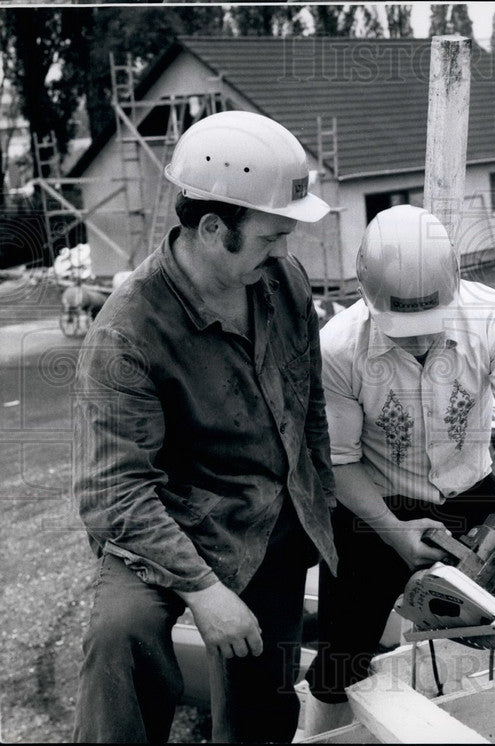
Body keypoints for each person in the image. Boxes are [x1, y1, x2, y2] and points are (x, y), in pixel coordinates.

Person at [72, 110, 338, 743]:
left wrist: (324, 509)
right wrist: (202, 589)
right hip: (166, 522)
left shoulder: (283, 283)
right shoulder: (125, 335)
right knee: (121, 635)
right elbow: (116, 494)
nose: (284, 250)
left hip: (267, 515)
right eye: (272, 236)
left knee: (263, 708)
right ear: (215, 228)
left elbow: (309, 408)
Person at [303, 204, 495, 731]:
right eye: (402, 330)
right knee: (339, 662)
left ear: (452, 285)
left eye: (427, 326)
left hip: (471, 495)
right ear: (366, 294)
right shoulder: (337, 349)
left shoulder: (493, 317)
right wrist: (392, 531)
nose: (417, 342)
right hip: (372, 506)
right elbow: (339, 463)